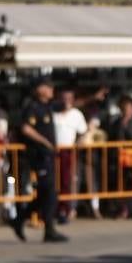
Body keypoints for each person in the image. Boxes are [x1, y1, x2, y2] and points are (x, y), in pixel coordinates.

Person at [10, 78, 67, 243]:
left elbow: (70, 104)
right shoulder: (32, 107)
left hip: (47, 155)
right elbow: (26, 128)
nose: (51, 89)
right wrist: (45, 142)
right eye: (47, 87)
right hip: (39, 155)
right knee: (49, 193)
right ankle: (48, 229)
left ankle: (19, 219)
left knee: (45, 195)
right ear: (39, 89)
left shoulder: (48, 106)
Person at [105, 94, 132, 220]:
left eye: (128, 106)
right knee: (121, 184)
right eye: (123, 106)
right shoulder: (115, 122)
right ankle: (123, 209)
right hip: (120, 158)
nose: (126, 108)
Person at [52, 86, 88, 224]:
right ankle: (52, 208)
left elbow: (83, 132)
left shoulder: (76, 114)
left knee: (66, 182)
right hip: (53, 151)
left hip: (68, 151)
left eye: (68, 99)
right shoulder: (53, 112)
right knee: (53, 182)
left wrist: (78, 144)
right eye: (63, 98)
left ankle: (64, 209)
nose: (65, 101)